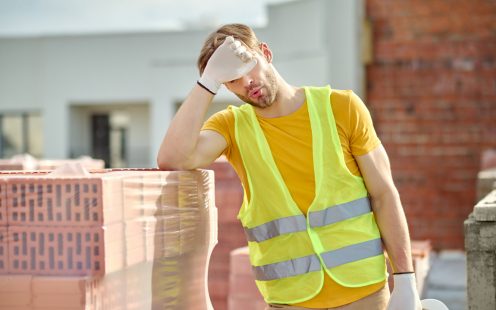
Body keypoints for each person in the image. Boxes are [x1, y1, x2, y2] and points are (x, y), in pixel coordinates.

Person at [157, 24, 422, 310]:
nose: (246, 81)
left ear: (266, 53)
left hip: (363, 294)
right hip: (291, 300)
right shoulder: (231, 127)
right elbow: (173, 159)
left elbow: (384, 195)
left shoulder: (342, 107)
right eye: (231, 79)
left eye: (249, 66)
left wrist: (405, 279)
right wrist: (209, 80)